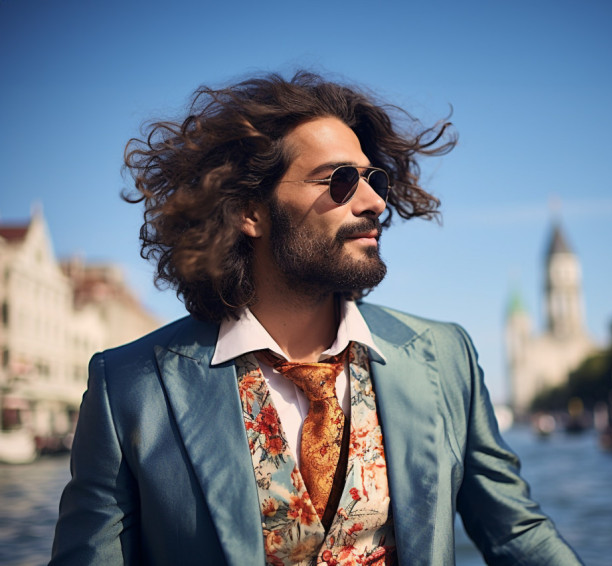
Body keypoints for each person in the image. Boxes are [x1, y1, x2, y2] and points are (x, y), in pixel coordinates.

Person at [50, 71, 583, 566]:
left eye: (372, 178)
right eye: (340, 180)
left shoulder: (444, 356)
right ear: (249, 212)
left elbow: (516, 535)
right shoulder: (129, 387)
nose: (375, 201)